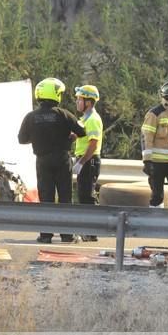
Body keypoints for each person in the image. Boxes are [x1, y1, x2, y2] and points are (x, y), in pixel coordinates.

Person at [18, 78, 86, 244]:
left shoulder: (31, 116)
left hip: (42, 160)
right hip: (62, 159)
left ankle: (45, 235)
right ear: (55, 95)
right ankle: (67, 235)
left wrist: (37, 138)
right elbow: (82, 131)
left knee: (46, 197)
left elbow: (22, 139)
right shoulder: (63, 114)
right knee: (65, 197)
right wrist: (69, 137)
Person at [73, 84, 103, 241]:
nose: (77, 102)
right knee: (84, 196)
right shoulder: (85, 118)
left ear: (89, 102)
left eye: (80, 99)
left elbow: (93, 143)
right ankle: (88, 231)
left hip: (89, 161)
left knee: (88, 197)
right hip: (85, 160)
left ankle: (91, 232)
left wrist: (81, 162)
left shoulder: (92, 119)